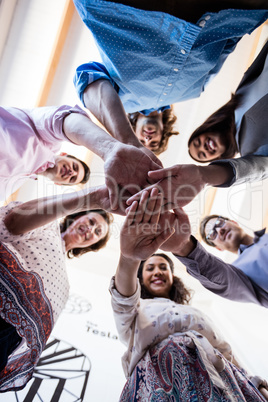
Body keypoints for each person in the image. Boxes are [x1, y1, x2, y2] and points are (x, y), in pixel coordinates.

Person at [110, 188, 268, 400]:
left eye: (164, 267)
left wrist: (256, 386)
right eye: (150, 268)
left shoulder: (194, 312)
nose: (158, 271)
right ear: (139, 278)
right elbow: (123, 298)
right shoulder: (134, 311)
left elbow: (225, 351)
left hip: (224, 381)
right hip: (159, 382)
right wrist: (130, 257)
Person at [73, 0, 268, 154]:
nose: (148, 139)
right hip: (214, 12)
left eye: (142, 141)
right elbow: (226, 47)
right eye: (154, 142)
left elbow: (85, 75)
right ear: (164, 131)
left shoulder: (119, 102)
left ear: (133, 130)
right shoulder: (193, 92)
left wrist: (127, 141)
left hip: (131, 10)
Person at [0, 184, 113, 392]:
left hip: (7, 337)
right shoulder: (48, 223)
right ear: (79, 216)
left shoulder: (65, 285)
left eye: (97, 232)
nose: (91, 230)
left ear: (92, 244)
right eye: (91, 221)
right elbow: (12, 223)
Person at [0, 103, 161, 209]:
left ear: (57, 184)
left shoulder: (14, 185)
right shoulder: (47, 140)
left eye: (72, 178)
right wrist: (109, 149)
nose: (71, 173)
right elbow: (64, 119)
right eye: (75, 167)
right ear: (64, 154)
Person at [188, 39, 268, 171]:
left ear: (204, 130)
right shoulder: (251, 154)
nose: (203, 147)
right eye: (202, 154)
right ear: (217, 158)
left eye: (198, 142)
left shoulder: (237, 101)